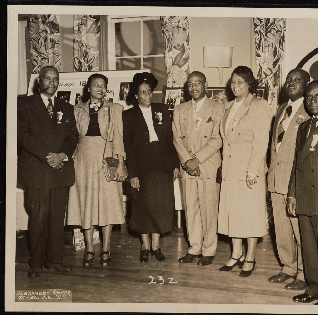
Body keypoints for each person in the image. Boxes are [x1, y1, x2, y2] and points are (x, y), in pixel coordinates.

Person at [17, 66, 79, 277]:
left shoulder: (66, 107)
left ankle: (56, 261)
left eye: (56, 79)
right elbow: (23, 136)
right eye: (47, 79)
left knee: (56, 219)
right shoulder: (24, 104)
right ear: (39, 81)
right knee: (37, 219)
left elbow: (73, 137)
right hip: (37, 170)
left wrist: (61, 155)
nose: (52, 83)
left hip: (60, 171)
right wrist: (48, 156)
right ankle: (35, 263)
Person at [67, 73, 127, 268]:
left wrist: (119, 162)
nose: (99, 88)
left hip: (106, 160)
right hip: (83, 161)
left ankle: (106, 248)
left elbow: (118, 137)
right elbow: (72, 139)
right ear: (88, 89)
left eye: (103, 86)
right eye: (95, 85)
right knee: (87, 205)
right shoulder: (76, 110)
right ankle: (89, 248)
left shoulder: (115, 109)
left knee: (107, 204)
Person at [218, 66, 272, 276]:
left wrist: (252, 171)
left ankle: (250, 256)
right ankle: (236, 254)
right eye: (233, 82)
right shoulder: (228, 106)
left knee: (250, 214)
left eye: (240, 82)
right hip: (231, 170)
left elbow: (261, 141)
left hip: (250, 169)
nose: (235, 86)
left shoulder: (259, 105)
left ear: (250, 84)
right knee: (234, 213)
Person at [123, 72, 180, 262]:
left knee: (160, 206)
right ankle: (144, 246)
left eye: (149, 92)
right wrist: (132, 173)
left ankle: (156, 246)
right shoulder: (129, 115)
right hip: (142, 167)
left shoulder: (162, 109)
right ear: (136, 95)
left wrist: (174, 165)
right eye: (142, 92)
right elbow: (128, 147)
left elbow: (169, 140)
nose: (147, 96)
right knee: (142, 206)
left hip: (162, 165)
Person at [173, 71, 224, 266]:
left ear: (205, 85)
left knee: (209, 209)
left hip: (208, 165)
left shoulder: (218, 108)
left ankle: (209, 250)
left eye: (198, 83)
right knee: (191, 209)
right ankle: (194, 248)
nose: (194, 87)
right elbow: (176, 138)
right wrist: (188, 161)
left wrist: (197, 160)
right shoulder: (180, 109)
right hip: (188, 167)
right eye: (191, 84)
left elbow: (218, 138)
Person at [287, 81, 318, 304]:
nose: (312, 101)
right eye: (309, 97)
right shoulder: (304, 127)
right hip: (304, 194)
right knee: (310, 248)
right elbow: (296, 163)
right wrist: (292, 194)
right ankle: (313, 288)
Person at [267, 68, 310, 289]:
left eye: (297, 80)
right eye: (289, 79)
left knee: (299, 229)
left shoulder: (310, 107)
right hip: (276, 178)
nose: (291, 83)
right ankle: (288, 267)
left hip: (296, 180)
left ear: (307, 84)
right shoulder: (282, 109)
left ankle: (304, 273)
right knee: (281, 227)